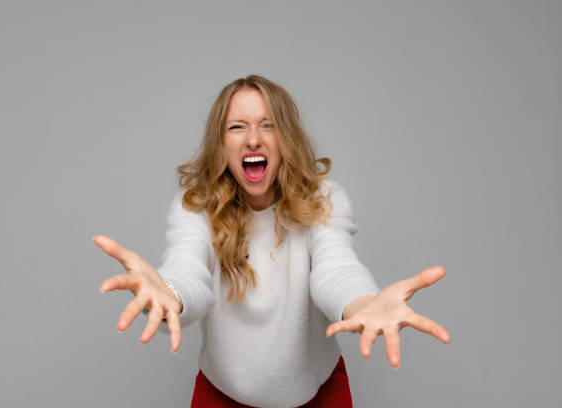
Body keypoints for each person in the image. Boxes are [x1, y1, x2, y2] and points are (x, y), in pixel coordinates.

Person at [93, 74, 450, 407]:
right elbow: (188, 270)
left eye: (269, 126)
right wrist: (169, 292)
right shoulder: (196, 206)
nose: (253, 139)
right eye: (237, 127)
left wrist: (364, 305)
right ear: (221, 143)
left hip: (319, 395)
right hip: (222, 395)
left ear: (287, 139)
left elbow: (335, 268)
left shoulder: (324, 198)